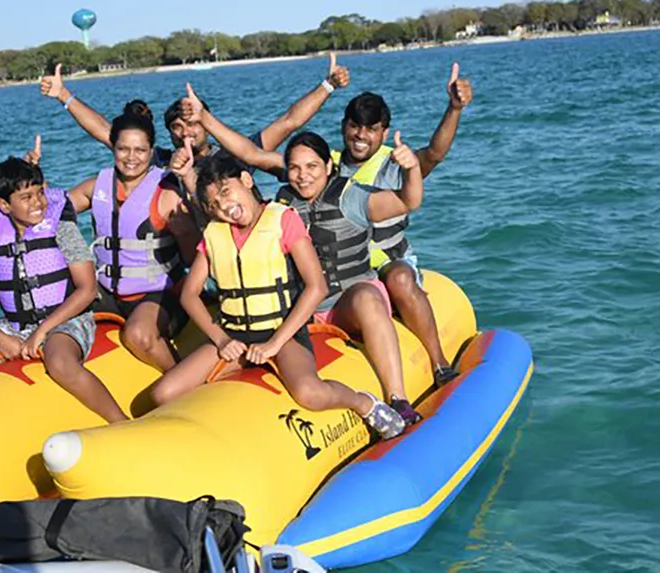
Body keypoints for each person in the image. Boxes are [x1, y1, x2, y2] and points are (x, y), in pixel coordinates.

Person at [180, 85, 426, 423]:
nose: (302, 175)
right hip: (301, 312)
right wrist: (203, 119)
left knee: (367, 297)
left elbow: (407, 201)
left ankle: (397, 398)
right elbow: (250, 155)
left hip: (347, 303)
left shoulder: (351, 197)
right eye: (294, 168)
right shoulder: (284, 199)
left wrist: (412, 169)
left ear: (329, 165)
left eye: (312, 167)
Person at [151, 153, 405, 439]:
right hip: (235, 336)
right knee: (164, 393)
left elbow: (316, 286)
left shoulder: (283, 220)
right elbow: (189, 294)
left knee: (309, 393)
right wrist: (222, 339)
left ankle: (364, 403)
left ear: (246, 180)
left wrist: (275, 343)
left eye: (226, 192)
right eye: (213, 204)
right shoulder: (214, 234)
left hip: (283, 334)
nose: (224, 206)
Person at [0, 146, 127, 423]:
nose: (38, 202)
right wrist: (2, 340)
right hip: (14, 324)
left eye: (40, 192)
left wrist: (41, 332)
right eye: (25, 197)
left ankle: (120, 421)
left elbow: (87, 289)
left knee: (60, 363)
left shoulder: (62, 229)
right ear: (4, 205)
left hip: (66, 319)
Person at [330, 65, 473, 386]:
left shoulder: (396, 161)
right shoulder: (327, 164)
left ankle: (439, 364)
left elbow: (435, 154)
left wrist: (454, 108)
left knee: (399, 277)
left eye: (371, 128)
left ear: (384, 132)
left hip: (389, 262)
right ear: (344, 126)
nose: (361, 135)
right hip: (345, 271)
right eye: (354, 126)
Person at [59, 108, 199, 372]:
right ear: (113, 147)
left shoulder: (166, 192)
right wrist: (32, 183)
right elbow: (48, 213)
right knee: (54, 308)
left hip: (159, 294)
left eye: (140, 150)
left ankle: (184, 384)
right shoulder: (96, 187)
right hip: (106, 293)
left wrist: (185, 230)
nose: (131, 158)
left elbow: (194, 258)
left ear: (151, 151)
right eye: (123, 149)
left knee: (138, 335)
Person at [38, 53, 351, 168]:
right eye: (177, 126)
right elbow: (105, 131)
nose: (186, 131)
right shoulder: (158, 161)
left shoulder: (235, 153)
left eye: (192, 122)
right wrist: (64, 95)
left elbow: (289, 121)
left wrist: (328, 86)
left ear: (206, 122)